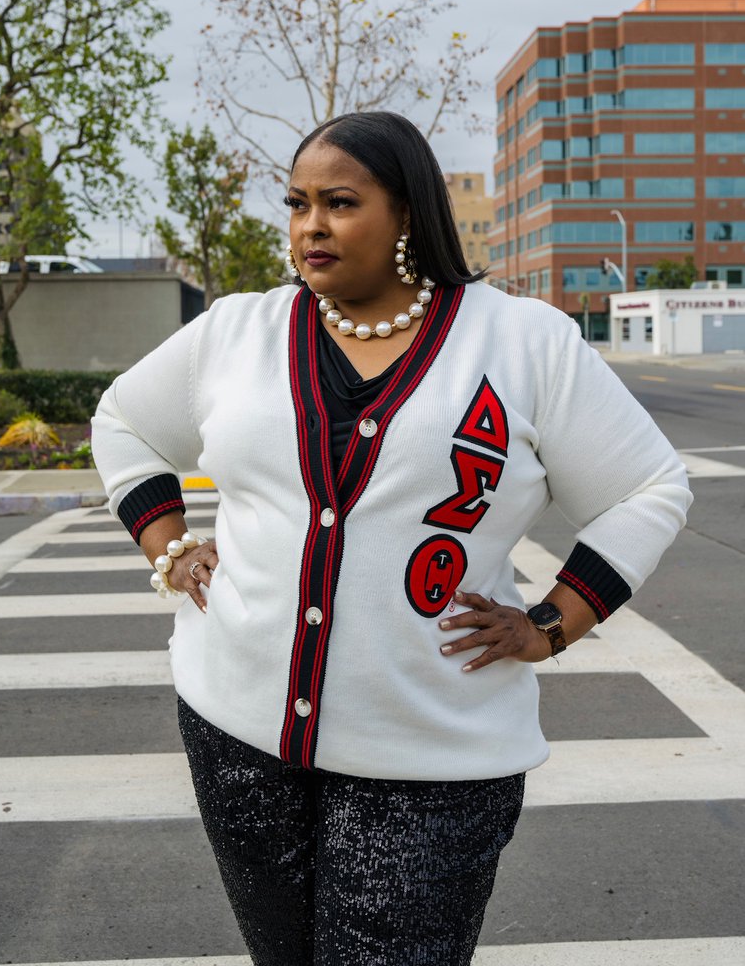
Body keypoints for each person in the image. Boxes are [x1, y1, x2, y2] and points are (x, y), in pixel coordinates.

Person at [91, 111, 692, 966]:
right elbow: (124, 422)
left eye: (339, 202)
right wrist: (168, 545)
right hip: (235, 732)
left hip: (433, 757)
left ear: (407, 213)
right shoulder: (238, 331)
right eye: (297, 203)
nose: (310, 225)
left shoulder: (522, 343)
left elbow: (646, 486)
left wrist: (556, 622)